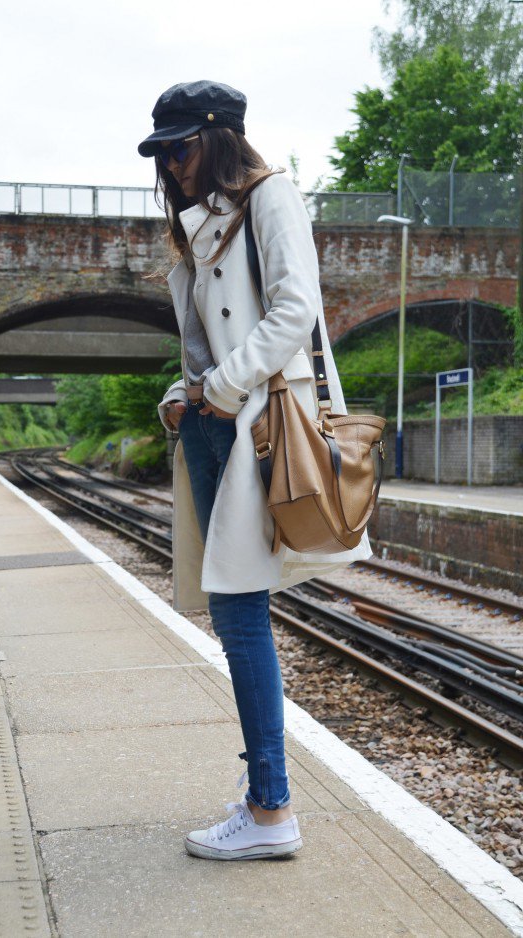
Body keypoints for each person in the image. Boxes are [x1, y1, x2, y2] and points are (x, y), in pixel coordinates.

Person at [138, 80, 372, 861]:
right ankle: (266, 801)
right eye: (164, 153)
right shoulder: (195, 235)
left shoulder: (272, 198)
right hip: (212, 433)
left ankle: (271, 810)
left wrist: (219, 389)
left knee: (241, 622)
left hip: (258, 432)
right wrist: (182, 397)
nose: (173, 165)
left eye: (184, 147)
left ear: (222, 138)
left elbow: (294, 311)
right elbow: (197, 353)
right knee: (237, 620)